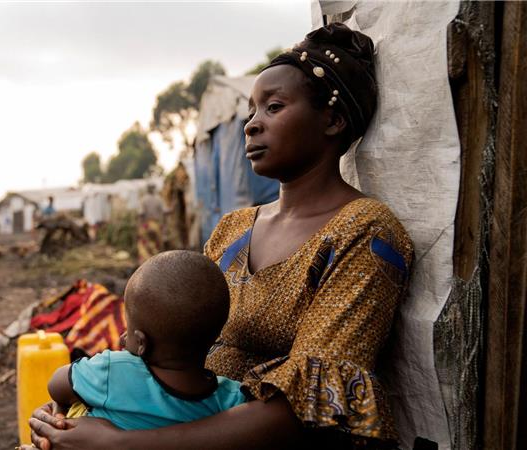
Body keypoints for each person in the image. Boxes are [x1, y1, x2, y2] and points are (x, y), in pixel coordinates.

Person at [24, 23, 414, 450]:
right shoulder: (233, 228)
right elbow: (169, 346)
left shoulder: (364, 233)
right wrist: (82, 412)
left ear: (333, 120)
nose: (251, 125)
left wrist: (121, 443)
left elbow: (309, 407)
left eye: (274, 107)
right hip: (176, 421)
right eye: (251, 111)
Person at [47, 250, 245, 430]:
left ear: (142, 343)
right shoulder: (231, 398)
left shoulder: (113, 371)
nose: (124, 337)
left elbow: (56, 384)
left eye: (129, 329)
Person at [136, 184, 165, 263]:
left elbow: (141, 213)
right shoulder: (158, 199)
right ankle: (157, 261)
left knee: (144, 244)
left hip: (146, 225)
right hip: (156, 224)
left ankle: (145, 262)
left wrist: (139, 225)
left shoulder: (143, 199)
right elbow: (164, 211)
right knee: (157, 244)